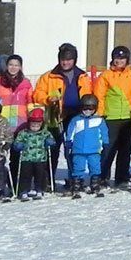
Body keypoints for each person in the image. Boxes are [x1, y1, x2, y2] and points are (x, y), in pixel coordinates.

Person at [31, 43, 87, 185]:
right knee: (53, 147)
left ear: (74, 60)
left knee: (74, 148)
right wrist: (48, 99)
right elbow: (37, 94)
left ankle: (74, 177)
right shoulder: (49, 76)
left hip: (76, 116)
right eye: (63, 59)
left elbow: (89, 94)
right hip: (55, 116)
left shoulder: (82, 76)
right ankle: (48, 179)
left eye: (69, 59)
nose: (65, 62)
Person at [93, 45, 131, 189]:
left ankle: (121, 177)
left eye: (122, 58)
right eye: (116, 58)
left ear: (127, 59)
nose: (119, 61)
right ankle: (102, 176)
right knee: (108, 148)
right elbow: (99, 95)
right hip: (111, 117)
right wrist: (100, 114)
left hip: (127, 118)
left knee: (125, 149)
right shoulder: (106, 75)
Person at [11, 107, 57, 200]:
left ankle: (39, 190)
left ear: (42, 124)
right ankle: (24, 191)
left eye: (37, 125)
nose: (35, 127)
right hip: (26, 158)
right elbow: (17, 142)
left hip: (40, 158)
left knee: (40, 175)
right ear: (29, 123)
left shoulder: (45, 133)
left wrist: (50, 142)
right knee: (25, 175)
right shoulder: (23, 133)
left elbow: (53, 142)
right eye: (33, 125)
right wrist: (18, 145)